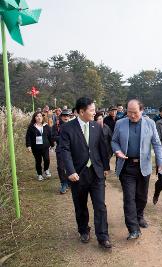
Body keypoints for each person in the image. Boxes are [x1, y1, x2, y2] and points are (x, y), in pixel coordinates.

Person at [59, 97, 112, 249]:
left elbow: (102, 148)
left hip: (96, 172)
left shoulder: (96, 126)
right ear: (81, 111)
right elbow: (65, 150)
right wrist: (70, 171)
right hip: (78, 174)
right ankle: (83, 230)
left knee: (100, 205)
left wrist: (106, 167)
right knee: (80, 205)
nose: (95, 112)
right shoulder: (67, 128)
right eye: (92, 110)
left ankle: (103, 236)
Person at [112, 99, 162, 240]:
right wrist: (117, 151)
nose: (131, 115)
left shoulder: (150, 123)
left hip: (144, 166)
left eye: (135, 112)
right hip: (127, 166)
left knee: (141, 197)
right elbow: (114, 141)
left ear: (142, 111)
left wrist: (161, 162)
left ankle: (139, 216)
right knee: (129, 198)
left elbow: (156, 143)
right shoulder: (120, 123)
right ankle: (133, 229)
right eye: (129, 112)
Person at [26, 111, 54, 181]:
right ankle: (39, 174)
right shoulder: (31, 127)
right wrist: (29, 146)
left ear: (42, 117)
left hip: (45, 147)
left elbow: (50, 136)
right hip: (36, 148)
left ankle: (46, 169)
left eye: (40, 116)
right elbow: (28, 137)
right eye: (37, 116)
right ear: (34, 118)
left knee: (47, 159)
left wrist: (52, 144)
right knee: (38, 161)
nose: (39, 117)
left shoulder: (46, 126)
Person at [52, 109, 71, 193]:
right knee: (61, 167)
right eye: (64, 116)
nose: (66, 117)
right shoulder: (56, 125)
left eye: (67, 116)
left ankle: (70, 182)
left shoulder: (73, 125)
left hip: (72, 149)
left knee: (71, 166)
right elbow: (53, 137)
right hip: (60, 149)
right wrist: (64, 138)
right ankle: (63, 183)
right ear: (61, 116)